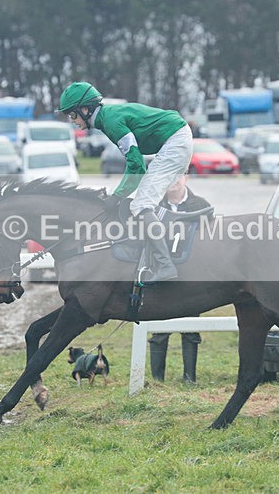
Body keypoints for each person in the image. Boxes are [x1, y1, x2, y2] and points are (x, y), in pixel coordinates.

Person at [57, 81, 193, 282]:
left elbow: (137, 164)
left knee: (141, 205)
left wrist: (118, 195)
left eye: (72, 114)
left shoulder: (110, 121)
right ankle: (154, 256)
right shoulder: (106, 118)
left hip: (175, 141)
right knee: (145, 202)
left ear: (85, 109)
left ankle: (165, 265)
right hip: (176, 139)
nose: (72, 120)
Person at [148, 174, 211, 383]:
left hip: (191, 278)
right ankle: (157, 381)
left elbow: (211, 239)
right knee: (158, 330)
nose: (172, 181)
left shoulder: (201, 205)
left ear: (186, 177)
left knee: (190, 329)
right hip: (161, 277)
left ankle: (190, 378)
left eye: (177, 175)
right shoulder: (153, 206)